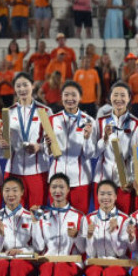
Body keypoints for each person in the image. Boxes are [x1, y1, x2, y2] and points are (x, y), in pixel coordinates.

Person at [31, 174, 87, 276]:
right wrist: (35, 223)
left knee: (60, 268)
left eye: (61, 187)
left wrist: (76, 236)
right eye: (54, 187)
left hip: (70, 262)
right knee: (48, 269)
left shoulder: (78, 216)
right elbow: (39, 247)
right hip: (49, 261)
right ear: (49, 189)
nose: (58, 190)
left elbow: (83, 249)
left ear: (68, 190)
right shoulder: (43, 215)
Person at [81, 180, 130, 276]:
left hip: (117, 263)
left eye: (109, 194)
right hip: (97, 262)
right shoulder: (88, 218)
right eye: (102, 194)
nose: (105, 198)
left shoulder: (124, 219)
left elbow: (120, 252)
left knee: (111, 273)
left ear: (116, 197)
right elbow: (90, 253)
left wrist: (114, 232)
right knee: (93, 272)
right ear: (97, 197)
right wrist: (89, 236)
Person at [3, 73, 53, 207]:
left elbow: (53, 147)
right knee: (14, 216)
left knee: (36, 215)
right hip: (14, 171)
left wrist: (39, 147)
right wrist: (3, 143)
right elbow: (5, 151)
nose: (22, 89)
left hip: (38, 171)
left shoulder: (44, 111)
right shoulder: (8, 113)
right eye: (18, 86)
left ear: (33, 86)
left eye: (25, 85)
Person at [93, 82, 138, 212]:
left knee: (123, 221)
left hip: (124, 182)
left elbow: (136, 156)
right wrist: (104, 138)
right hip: (102, 179)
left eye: (122, 95)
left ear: (129, 98)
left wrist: (131, 179)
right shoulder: (99, 122)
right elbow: (94, 154)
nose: (119, 99)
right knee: (101, 222)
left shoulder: (137, 124)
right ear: (110, 98)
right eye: (115, 95)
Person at [50, 81, 98, 212]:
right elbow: (46, 153)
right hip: (56, 180)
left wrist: (87, 139)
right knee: (57, 220)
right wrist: (46, 146)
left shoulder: (89, 121)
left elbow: (90, 155)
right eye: (66, 95)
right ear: (61, 97)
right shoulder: (52, 120)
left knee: (79, 221)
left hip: (80, 179)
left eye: (73, 95)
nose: (70, 98)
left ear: (80, 97)